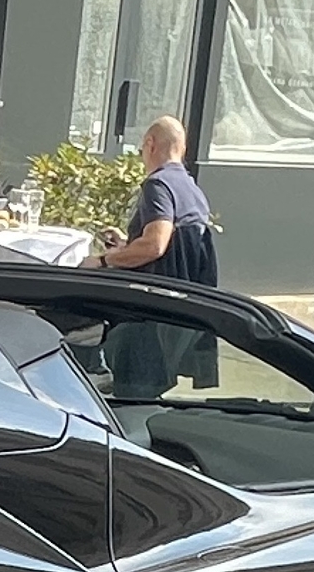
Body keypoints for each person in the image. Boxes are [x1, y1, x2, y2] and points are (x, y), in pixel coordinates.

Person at [83, 116, 220, 399]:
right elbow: (174, 244)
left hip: (148, 312)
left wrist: (103, 261)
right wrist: (126, 244)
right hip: (179, 308)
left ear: (150, 144)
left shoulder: (157, 185)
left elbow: (155, 246)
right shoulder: (192, 189)